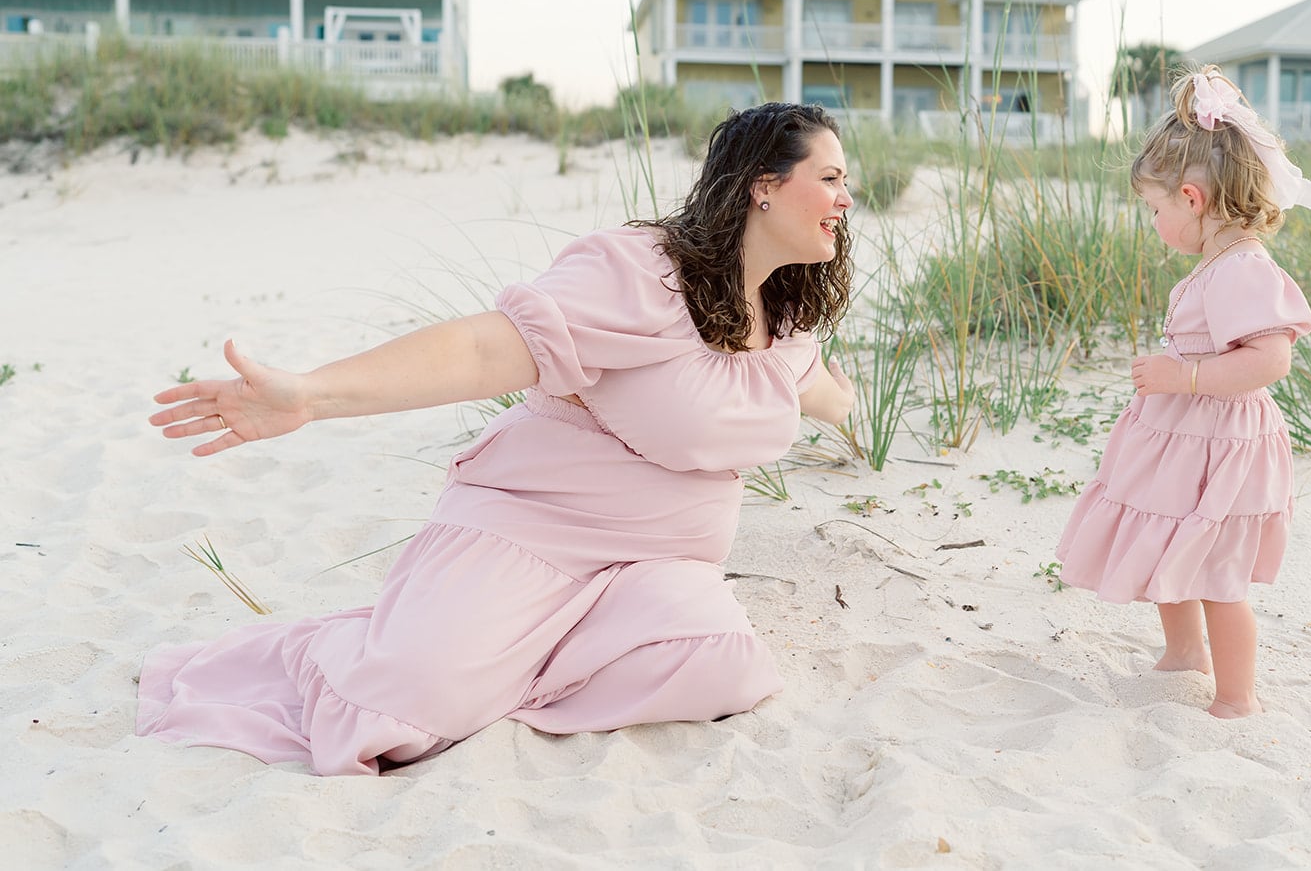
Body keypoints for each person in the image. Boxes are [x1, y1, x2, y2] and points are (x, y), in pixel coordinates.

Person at [138, 102, 858, 775]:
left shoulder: (786, 326)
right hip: (534, 530)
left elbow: (819, 393)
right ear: (764, 185)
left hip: (654, 567)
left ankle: (502, 671)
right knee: (399, 711)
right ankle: (424, 654)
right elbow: (485, 350)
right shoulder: (643, 274)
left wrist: (851, 409)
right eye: (829, 178)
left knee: (724, 664)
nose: (846, 198)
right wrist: (310, 395)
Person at [1054, 65, 1311, 719]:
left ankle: (1236, 695)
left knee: (1219, 574)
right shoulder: (1217, 264)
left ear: (1192, 198)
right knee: (1170, 540)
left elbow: (1271, 359)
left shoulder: (1243, 270)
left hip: (1223, 446)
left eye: (1156, 207)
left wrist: (1185, 377)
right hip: (1187, 440)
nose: (1153, 220)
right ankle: (1183, 652)